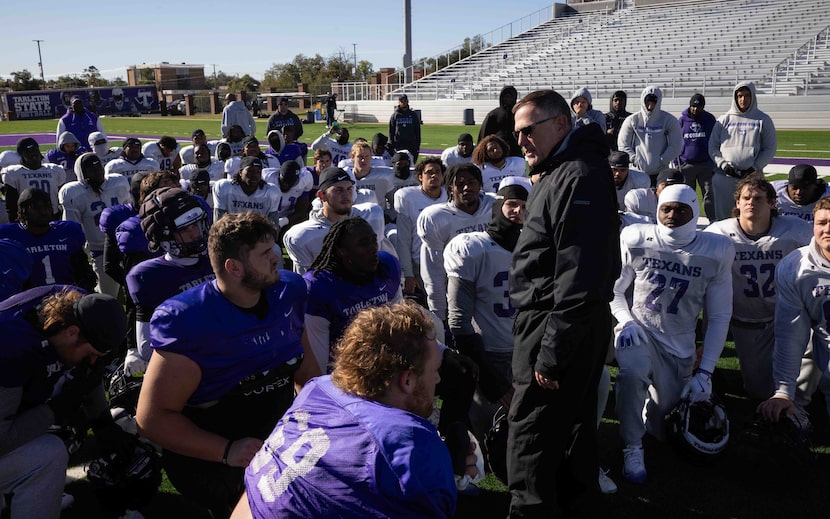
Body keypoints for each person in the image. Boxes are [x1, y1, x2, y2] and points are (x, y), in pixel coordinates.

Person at [135, 211, 319, 519]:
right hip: (216, 453)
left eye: (273, 248)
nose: (277, 258)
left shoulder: (289, 291)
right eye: (265, 254)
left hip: (277, 439)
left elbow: (307, 376)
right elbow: (152, 418)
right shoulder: (189, 321)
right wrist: (225, 450)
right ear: (234, 267)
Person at [234, 301, 457, 519]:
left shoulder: (318, 388)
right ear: (407, 380)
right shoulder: (408, 444)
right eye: (434, 370)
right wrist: (446, 468)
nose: (438, 378)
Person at [507, 89, 619, 517]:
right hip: (566, 320)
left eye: (528, 131)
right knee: (571, 431)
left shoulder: (577, 175)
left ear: (559, 124)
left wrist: (551, 352)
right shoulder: (566, 170)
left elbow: (579, 275)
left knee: (531, 438)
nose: (521, 142)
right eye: (517, 134)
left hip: (557, 323)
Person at [612, 184, 734, 484]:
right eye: (666, 208)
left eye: (681, 210)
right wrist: (625, 320)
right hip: (639, 331)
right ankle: (631, 445)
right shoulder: (636, 237)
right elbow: (613, 290)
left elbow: (719, 316)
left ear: (694, 213)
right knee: (631, 373)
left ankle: (646, 413)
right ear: (657, 209)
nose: (672, 215)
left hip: (679, 344)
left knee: (664, 429)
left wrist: (705, 372)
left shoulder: (716, 250)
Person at [0, 286, 128, 519]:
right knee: (50, 453)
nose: (91, 360)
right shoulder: (11, 345)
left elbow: (88, 374)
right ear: (71, 332)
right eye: (90, 353)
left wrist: (102, 423)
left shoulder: (78, 306)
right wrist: (55, 409)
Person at [704, 175, 812, 401]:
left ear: (773, 203)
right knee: (758, 391)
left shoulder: (796, 230)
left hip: (787, 317)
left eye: (758, 198)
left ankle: (800, 403)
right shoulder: (718, 234)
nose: (751, 202)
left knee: (803, 378)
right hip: (746, 321)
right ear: (737, 203)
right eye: (745, 198)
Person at [446, 183, 527, 412]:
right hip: (487, 354)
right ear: (498, 206)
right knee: (490, 430)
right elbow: (458, 321)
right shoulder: (473, 247)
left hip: (524, 353)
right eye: (512, 205)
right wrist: (488, 374)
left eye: (523, 206)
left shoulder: (532, 248)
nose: (518, 212)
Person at [124, 187, 215, 378]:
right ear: (163, 236)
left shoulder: (217, 260)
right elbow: (148, 348)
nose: (195, 234)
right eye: (185, 229)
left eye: (197, 225)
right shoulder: (149, 275)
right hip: (189, 369)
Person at [759, 195, 830, 422]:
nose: (828, 229)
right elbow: (790, 334)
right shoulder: (796, 268)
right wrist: (783, 390)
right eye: (822, 223)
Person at [301, 217, 402, 375]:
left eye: (373, 240)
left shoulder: (387, 267)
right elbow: (318, 359)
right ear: (342, 252)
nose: (372, 248)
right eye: (363, 244)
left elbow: (398, 322)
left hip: (382, 359)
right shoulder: (318, 287)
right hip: (342, 368)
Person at [417, 163, 494, 323]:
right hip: (459, 291)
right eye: (459, 184)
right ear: (450, 187)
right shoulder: (437, 218)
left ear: (480, 184)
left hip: (494, 288)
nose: (467, 187)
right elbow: (433, 269)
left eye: (472, 182)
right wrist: (439, 313)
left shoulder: (494, 207)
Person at [283, 167, 386, 274]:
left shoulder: (371, 215)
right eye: (338, 190)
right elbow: (309, 281)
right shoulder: (302, 236)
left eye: (349, 189)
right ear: (322, 195)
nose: (346, 195)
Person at [59, 153, 132, 297]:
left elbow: (129, 212)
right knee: (108, 297)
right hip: (101, 251)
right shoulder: (74, 192)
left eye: (98, 166)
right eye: (90, 168)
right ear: (82, 173)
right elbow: (73, 227)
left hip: (127, 245)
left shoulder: (117, 182)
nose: (97, 171)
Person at [0, 188, 96, 291]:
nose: (43, 212)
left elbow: (84, 272)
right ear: (23, 211)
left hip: (68, 298)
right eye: (36, 208)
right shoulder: (9, 236)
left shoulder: (67, 231)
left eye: (46, 206)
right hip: (29, 302)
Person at [709, 81, 777, 221]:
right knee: (724, 218)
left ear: (753, 97)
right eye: (739, 96)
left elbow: (770, 148)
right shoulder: (724, 119)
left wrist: (754, 167)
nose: (743, 99)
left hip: (752, 177)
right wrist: (724, 165)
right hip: (725, 177)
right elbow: (713, 147)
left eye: (747, 95)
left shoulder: (763, 120)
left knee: (751, 215)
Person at [394, 158, 447, 297]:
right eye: (429, 172)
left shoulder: (451, 196)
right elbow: (404, 239)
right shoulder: (408, 197)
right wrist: (408, 274)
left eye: (437, 172)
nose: (434, 175)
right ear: (420, 176)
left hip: (449, 262)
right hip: (421, 264)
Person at [618, 85, 682, 186]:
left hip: (661, 172)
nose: (650, 105)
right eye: (647, 101)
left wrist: (662, 160)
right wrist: (635, 160)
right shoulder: (632, 120)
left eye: (653, 102)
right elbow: (623, 145)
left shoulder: (669, 120)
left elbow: (676, 145)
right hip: (637, 171)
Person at [2, 137, 66, 222]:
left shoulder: (55, 170)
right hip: (28, 220)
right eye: (28, 152)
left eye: (34, 150)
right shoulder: (13, 173)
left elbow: (62, 199)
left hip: (52, 217)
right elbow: (11, 205)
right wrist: (16, 223)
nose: (33, 154)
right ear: (21, 155)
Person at [676, 93, 717, 220]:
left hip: (706, 164)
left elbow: (716, 139)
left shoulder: (709, 119)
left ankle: (712, 220)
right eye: (693, 106)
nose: (695, 109)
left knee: (709, 194)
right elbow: (675, 141)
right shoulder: (681, 120)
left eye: (698, 107)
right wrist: (677, 162)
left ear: (703, 107)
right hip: (686, 164)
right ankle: (687, 221)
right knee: (686, 196)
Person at [213, 156, 282, 229]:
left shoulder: (271, 192)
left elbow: (273, 227)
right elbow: (219, 223)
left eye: (258, 172)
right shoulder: (224, 188)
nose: (254, 175)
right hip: (231, 232)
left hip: (258, 235)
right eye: (250, 171)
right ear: (240, 172)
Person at [346, 141, 395, 207]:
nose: (363, 160)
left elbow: (393, 202)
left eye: (367, 156)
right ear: (352, 157)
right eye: (360, 156)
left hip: (377, 215)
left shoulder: (383, 176)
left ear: (371, 157)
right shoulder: (346, 178)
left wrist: (388, 215)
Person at [478, 85, 522, 157]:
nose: (508, 99)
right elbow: (484, 135)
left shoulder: (519, 114)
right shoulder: (493, 114)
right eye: (506, 97)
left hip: (515, 152)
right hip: (497, 152)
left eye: (510, 97)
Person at [388, 94, 421, 161]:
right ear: (399, 102)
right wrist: (391, 143)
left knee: (411, 162)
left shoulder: (413, 114)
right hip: (398, 144)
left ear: (407, 101)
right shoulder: (395, 115)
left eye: (404, 101)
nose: (403, 103)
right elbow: (391, 130)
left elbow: (417, 130)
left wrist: (417, 144)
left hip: (411, 144)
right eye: (401, 101)